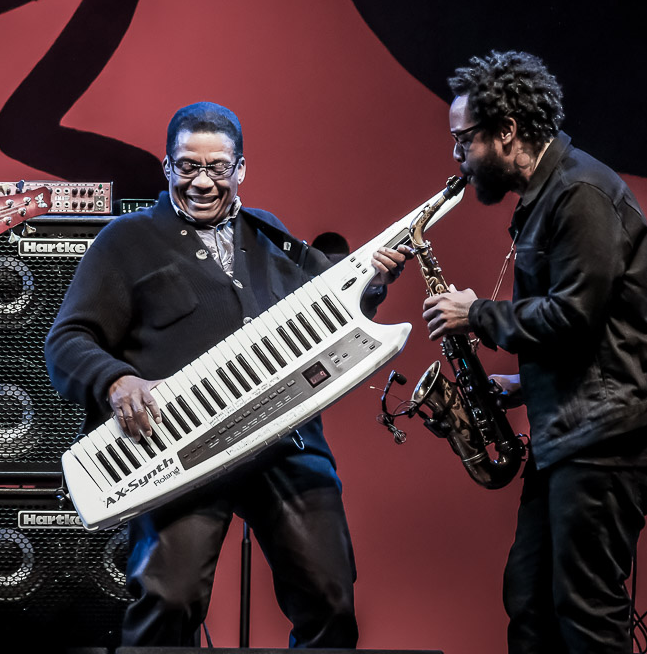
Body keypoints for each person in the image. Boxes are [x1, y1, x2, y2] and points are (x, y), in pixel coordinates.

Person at [45, 101, 411, 647]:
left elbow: (335, 302)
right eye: (188, 165)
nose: (202, 181)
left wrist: (374, 281)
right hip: (178, 449)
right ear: (167, 168)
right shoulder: (125, 241)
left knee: (331, 602)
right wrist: (116, 379)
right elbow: (66, 341)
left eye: (218, 167)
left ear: (241, 169)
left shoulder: (270, 235)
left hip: (284, 438)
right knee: (169, 604)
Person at [422, 50, 647, 654]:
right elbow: (598, 332)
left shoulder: (579, 192)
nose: (457, 157)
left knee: (586, 607)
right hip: (578, 427)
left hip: (611, 433)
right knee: (530, 599)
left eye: (463, 140)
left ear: (506, 132)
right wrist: (523, 386)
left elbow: (575, 316)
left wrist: (478, 314)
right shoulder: (550, 193)